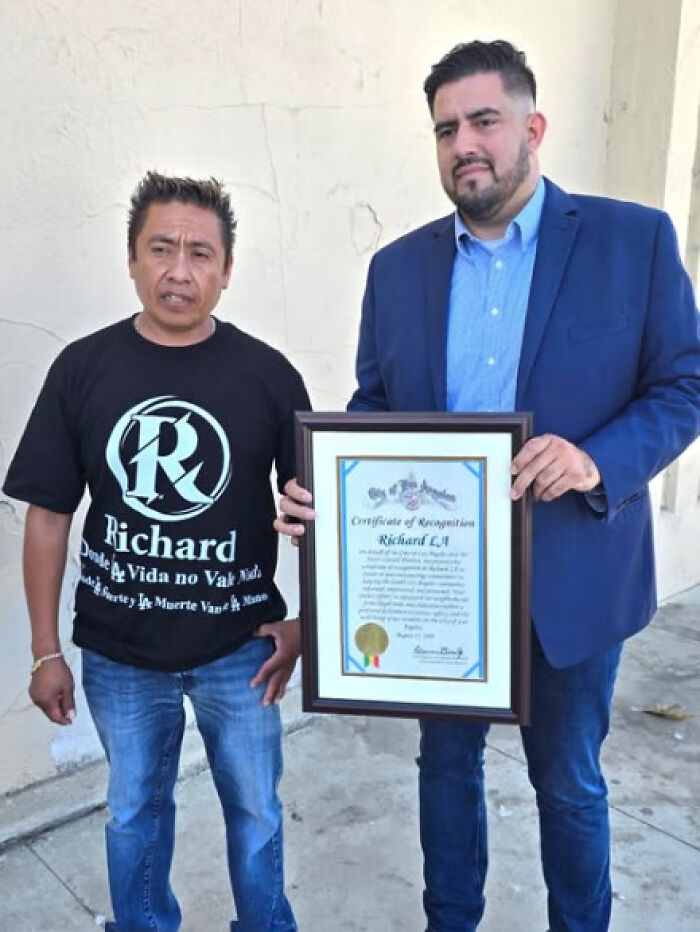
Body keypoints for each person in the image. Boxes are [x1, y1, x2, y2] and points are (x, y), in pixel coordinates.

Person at [276, 40, 700, 932]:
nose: (463, 143)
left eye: (483, 121)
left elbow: (684, 386)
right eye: (444, 129)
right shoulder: (398, 269)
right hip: (440, 588)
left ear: (532, 127)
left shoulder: (634, 242)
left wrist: (597, 461)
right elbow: (375, 407)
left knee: (570, 780)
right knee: (445, 770)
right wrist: (332, 496)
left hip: (574, 570)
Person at [3, 171, 309, 932]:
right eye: (161, 249)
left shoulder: (270, 377)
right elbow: (48, 516)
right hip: (119, 649)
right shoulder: (82, 368)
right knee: (135, 812)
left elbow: (328, 511)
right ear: (132, 260)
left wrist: (308, 625)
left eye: (201, 253)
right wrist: (45, 652)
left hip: (242, 649)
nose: (180, 271)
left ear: (228, 269)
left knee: (257, 813)